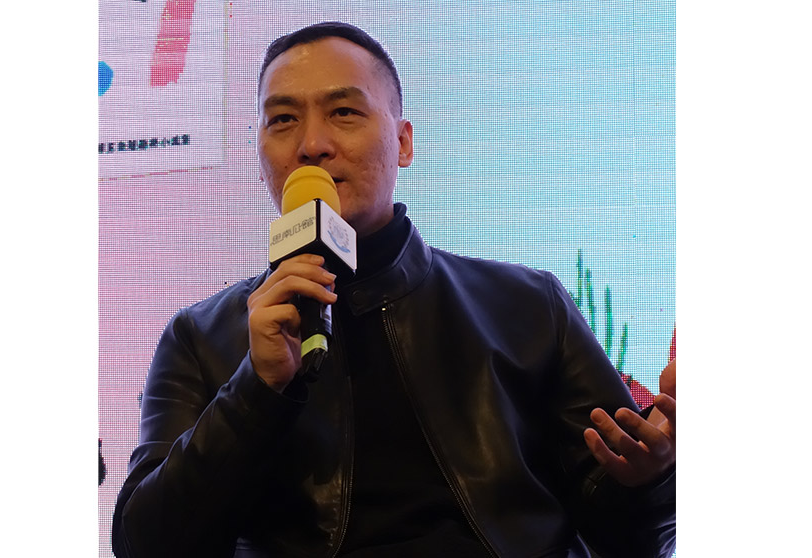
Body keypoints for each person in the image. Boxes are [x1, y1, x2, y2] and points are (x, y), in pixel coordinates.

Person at [112, 21, 676, 558]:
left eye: (344, 112)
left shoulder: (529, 306)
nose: (312, 144)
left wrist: (653, 481)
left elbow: (634, 541)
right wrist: (255, 390)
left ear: (403, 143)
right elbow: (147, 545)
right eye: (282, 120)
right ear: (260, 156)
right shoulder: (198, 338)